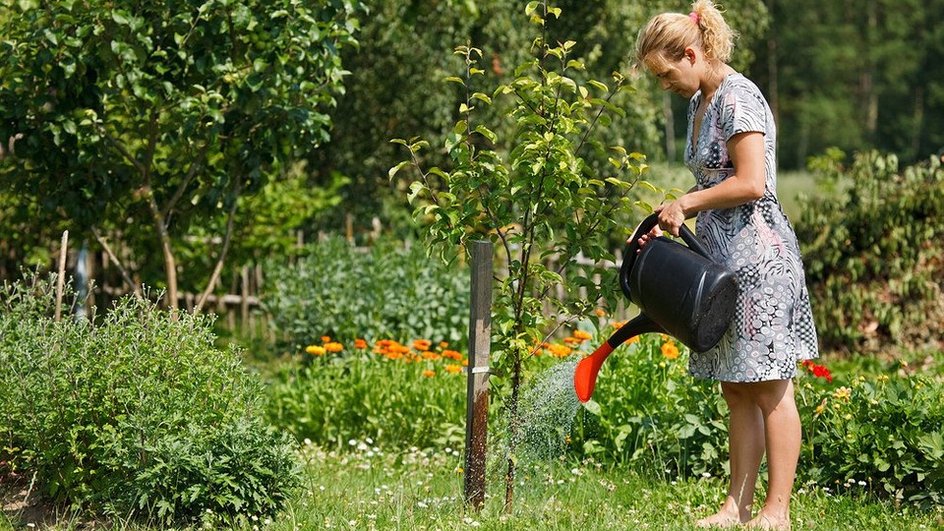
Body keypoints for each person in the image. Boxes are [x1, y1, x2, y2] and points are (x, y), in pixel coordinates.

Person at [633, 1, 819, 529]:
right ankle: (735, 507)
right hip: (721, 261)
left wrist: (687, 204)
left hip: (759, 259)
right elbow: (713, 181)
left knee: (768, 385)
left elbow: (751, 182)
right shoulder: (701, 102)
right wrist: (665, 215)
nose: (665, 85)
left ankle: (776, 511)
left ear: (691, 53)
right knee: (736, 386)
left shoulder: (738, 98)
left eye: (667, 73)